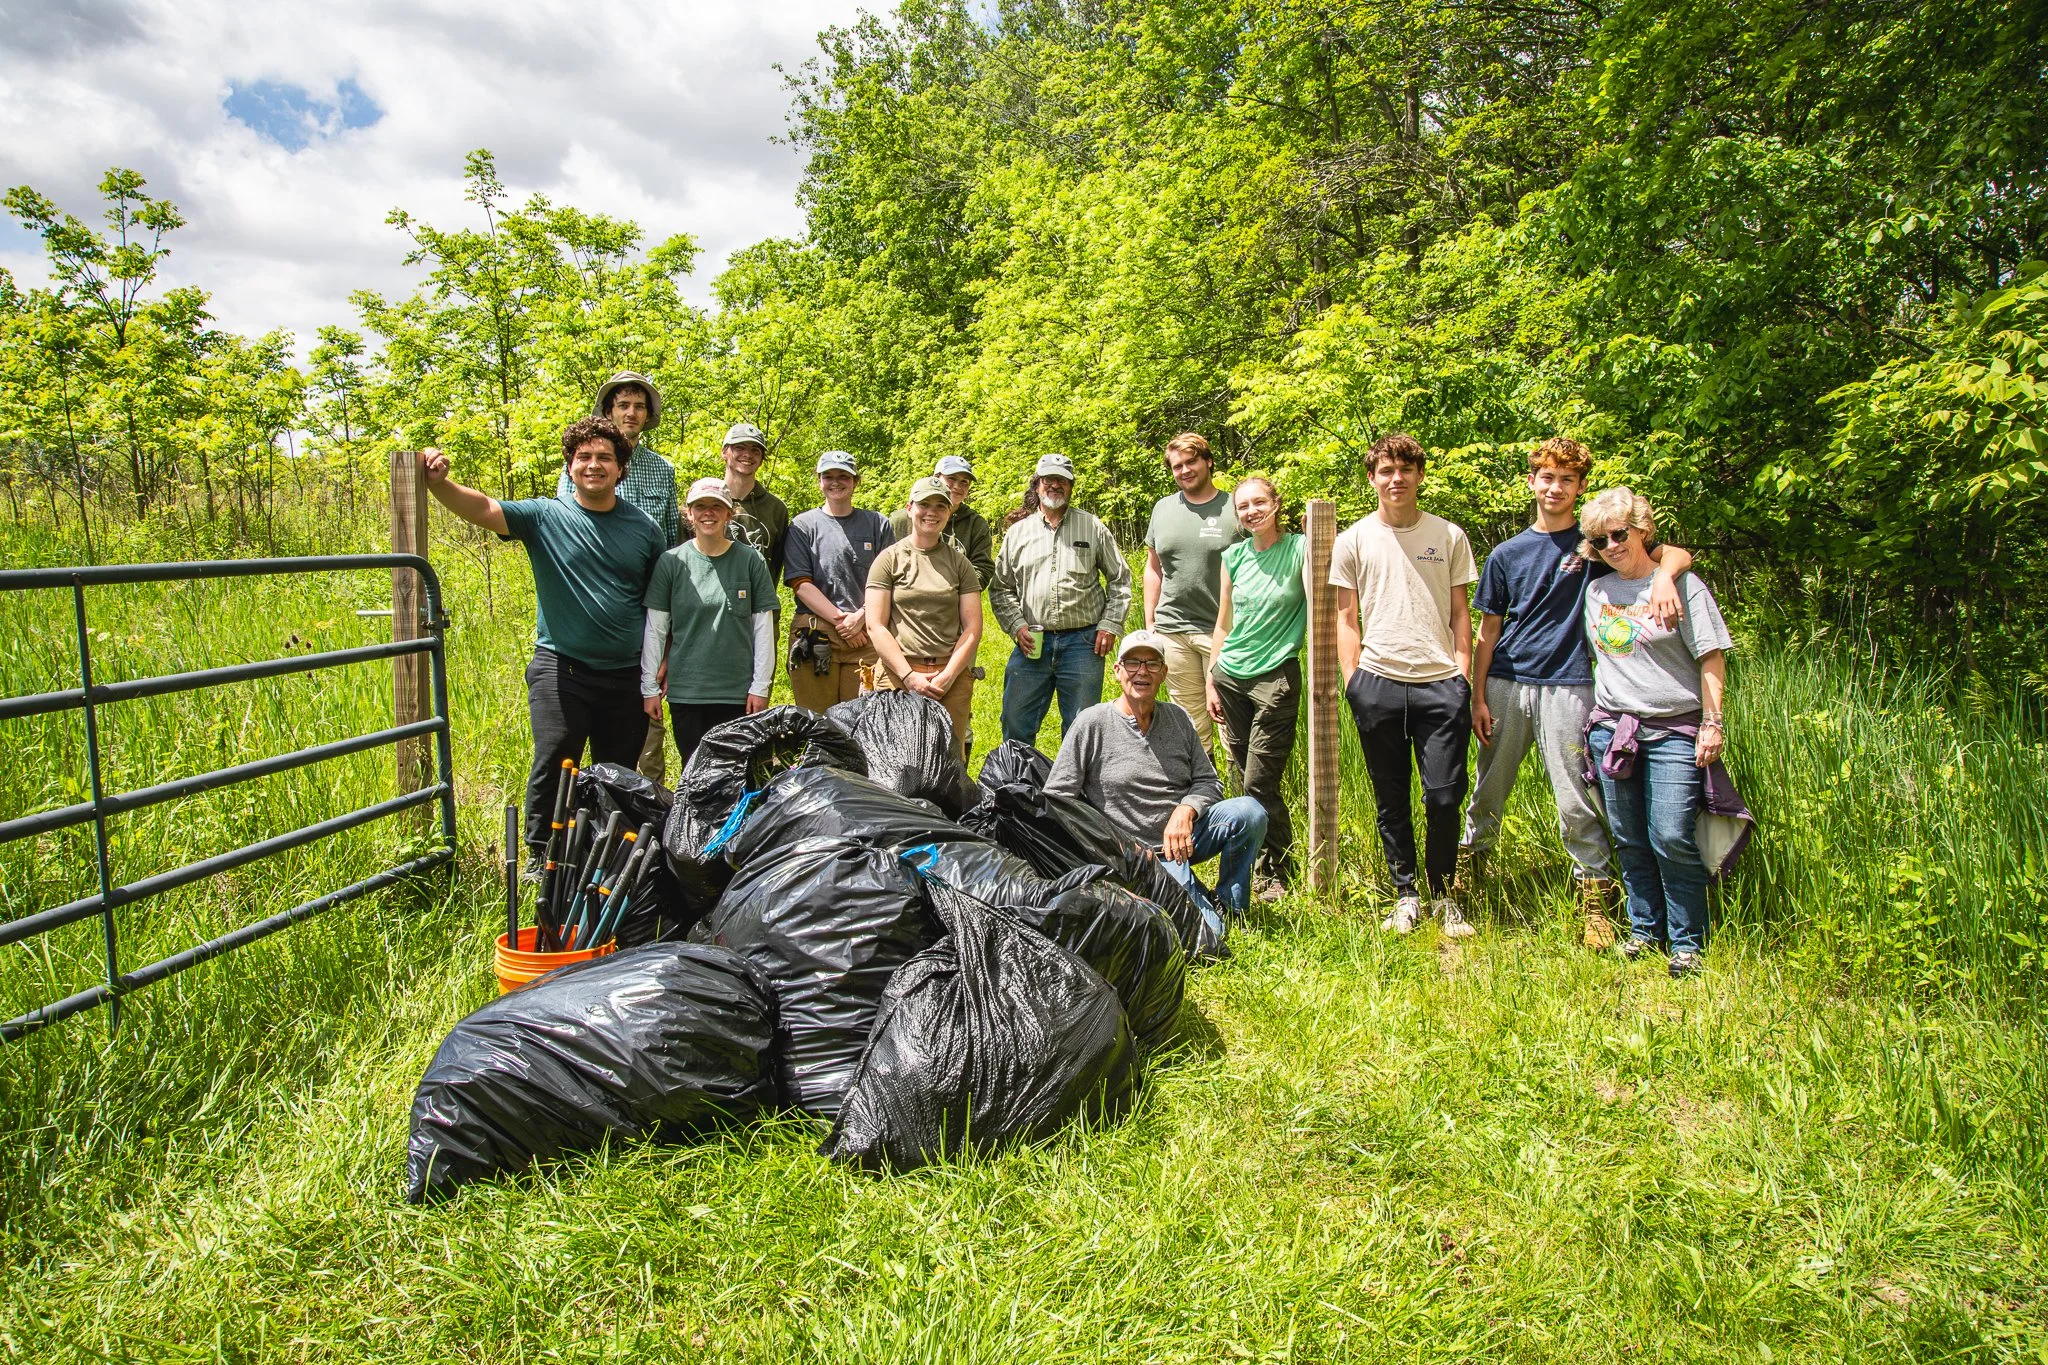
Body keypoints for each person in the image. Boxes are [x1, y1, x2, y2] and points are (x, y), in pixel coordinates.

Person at [1460, 437, 1692, 946]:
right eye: (1547, 478)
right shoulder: (1506, 554)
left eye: (1567, 480)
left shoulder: (1597, 545)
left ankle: (1595, 900)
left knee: (1575, 796)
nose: (1556, 488)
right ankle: (1470, 873)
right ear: (1531, 482)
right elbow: (1487, 632)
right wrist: (1477, 697)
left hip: (1570, 684)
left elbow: (1674, 554)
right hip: (1506, 682)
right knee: (1489, 786)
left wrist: (1665, 580)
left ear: (1581, 487)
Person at [420, 418, 663, 862]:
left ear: (620, 468)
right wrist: (439, 484)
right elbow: (483, 508)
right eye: (583, 457)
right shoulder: (544, 516)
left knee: (616, 773)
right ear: (570, 466)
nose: (594, 465)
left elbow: (658, 605)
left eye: (604, 457)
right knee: (555, 760)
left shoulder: (645, 528)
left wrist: (660, 664)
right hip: (561, 667)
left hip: (627, 674)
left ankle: (604, 859)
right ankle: (540, 854)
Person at [1579, 487, 1732, 980]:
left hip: (1673, 730)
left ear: (1642, 530)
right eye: (1599, 540)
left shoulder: (1683, 586)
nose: (1611, 546)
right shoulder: (1597, 592)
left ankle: (1687, 941)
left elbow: (1711, 657)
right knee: (1628, 837)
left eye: (1619, 534)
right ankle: (1644, 931)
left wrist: (1712, 724)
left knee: (1670, 835)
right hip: (1614, 731)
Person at [1331, 433, 1479, 937]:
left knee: (1444, 797)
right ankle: (1406, 894)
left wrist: (1461, 676)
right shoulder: (1353, 540)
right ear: (1372, 478)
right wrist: (1355, 682)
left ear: (1419, 475)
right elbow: (1346, 619)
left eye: (1406, 470)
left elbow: (1461, 612)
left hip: (1441, 684)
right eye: (1386, 471)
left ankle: (1443, 894)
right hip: (1379, 684)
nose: (1396, 479)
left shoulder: (1448, 535)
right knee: (1390, 796)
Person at [1046, 630, 1267, 929]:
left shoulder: (1178, 718)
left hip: (1185, 839)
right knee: (1210, 933)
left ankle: (1230, 905)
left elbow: (1208, 781)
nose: (1142, 672)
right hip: (1133, 857)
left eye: (1152, 664)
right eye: (1133, 663)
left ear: (1163, 673)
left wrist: (1186, 810)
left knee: (1250, 812)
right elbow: (1058, 799)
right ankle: (1195, 904)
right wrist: (1111, 846)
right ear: (1117, 671)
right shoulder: (1091, 723)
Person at [558, 372, 680, 783]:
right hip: (588, 618)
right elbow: (565, 532)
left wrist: (667, 629)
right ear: (608, 411)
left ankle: (640, 808)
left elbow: (668, 548)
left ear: (648, 416)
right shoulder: (583, 464)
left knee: (643, 730)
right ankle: (571, 816)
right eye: (623, 405)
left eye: (639, 407)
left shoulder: (662, 470)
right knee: (568, 743)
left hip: (644, 617)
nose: (631, 413)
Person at [1204, 476, 1304, 902]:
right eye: (1243, 506)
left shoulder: (1301, 549)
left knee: (1259, 781)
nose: (1251, 512)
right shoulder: (1234, 556)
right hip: (1230, 675)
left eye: (1259, 502)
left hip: (1275, 677)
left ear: (1276, 503)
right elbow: (1223, 624)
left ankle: (1276, 871)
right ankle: (1262, 864)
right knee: (1242, 775)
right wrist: (1212, 676)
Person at [989, 453, 1134, 746]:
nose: (1055, 485)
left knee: (1082, 727)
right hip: (1032, 643)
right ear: (1037, 484)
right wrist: (1017, 626)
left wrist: (1110, 625)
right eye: (1048, 479)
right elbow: (1000, 588)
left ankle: (1073, 777)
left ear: (1071, 486)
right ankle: (1019, 775)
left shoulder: (1092, 527)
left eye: (1062, 480)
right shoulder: (1018, 533)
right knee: (1015, 721)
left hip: (1083, 643)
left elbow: (1120, 579)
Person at [641, 478, 778, 769]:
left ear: (729, 513)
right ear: (689, 514)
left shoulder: (751, 560)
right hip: (688, 692)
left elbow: (763, 630)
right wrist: (649, 687)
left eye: (717, 506)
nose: (708, 513)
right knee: (694, 771)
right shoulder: (671, 562)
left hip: (738, 692)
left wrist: (760, 686)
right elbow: (656, 629)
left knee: (735, 773)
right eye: (700, 506)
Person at [866, 476, 985, 760]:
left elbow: (972, 627)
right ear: (909, 508)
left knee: (948, 763)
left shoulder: (960, 564)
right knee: (894, 762)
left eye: (940, 506)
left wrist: (948, 676)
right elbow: (875, 625)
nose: (932, 512)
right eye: (924, 504)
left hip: (949, 678)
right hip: (897, 676)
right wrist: (909, 677)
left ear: (949, 512)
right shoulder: (888, 559)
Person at [1144, 432, 1241, 751]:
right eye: (1177, 466)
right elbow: (1153, 568)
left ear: (1208, 462)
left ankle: (1238, 782)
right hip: (1173, 631)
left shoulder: (1234, 507)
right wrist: (1150, 623)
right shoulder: (1162, 509)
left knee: (1230, 718)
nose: (1184, 470)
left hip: (1224, 631)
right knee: (1190, 724)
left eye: (1191, 462)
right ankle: (1202, 780)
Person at [783, 451, 894, 712]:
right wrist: (842, 622)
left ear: (855, 481)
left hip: (866, 635)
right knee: (816, 720)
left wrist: (860, 619)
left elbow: (889, 582)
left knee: (862, 719)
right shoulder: (802, 525)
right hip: (816, 635)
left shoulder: (877, 523)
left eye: (843, 476)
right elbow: (801, 584)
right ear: (819, 481)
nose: (835, 482)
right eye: (828, 476)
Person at [720, 421, 789, 687]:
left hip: (759, 615)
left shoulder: (775, 508)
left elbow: (776, 565)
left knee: (757, 695)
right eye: (739, 447)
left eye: (755, 450)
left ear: (761, 458)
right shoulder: (706, 500)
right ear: (725, 452)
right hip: (711, 614)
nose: (747, 454)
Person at [890, 454, 996, 591]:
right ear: (936, 478)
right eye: (951, 478)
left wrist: (954, 592)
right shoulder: (900, 520)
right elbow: (884, 564)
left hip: (956, 598)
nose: (957, 486)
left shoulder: (976, 524)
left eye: (964, 482)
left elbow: (982, 567)